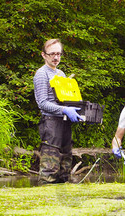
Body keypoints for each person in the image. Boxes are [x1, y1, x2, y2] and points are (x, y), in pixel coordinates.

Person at [33, 39, 84, 183]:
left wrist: (74, 109)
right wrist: (64, 109)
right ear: (44, 55)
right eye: (52, 54)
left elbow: (66, 98)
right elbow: (42, 103)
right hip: (50, 124)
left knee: (65, 168)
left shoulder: (61, 73)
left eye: (58, 54)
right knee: (49, 172)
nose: (56, 57)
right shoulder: (41, 74)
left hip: (64, 123)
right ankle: (47, 201)